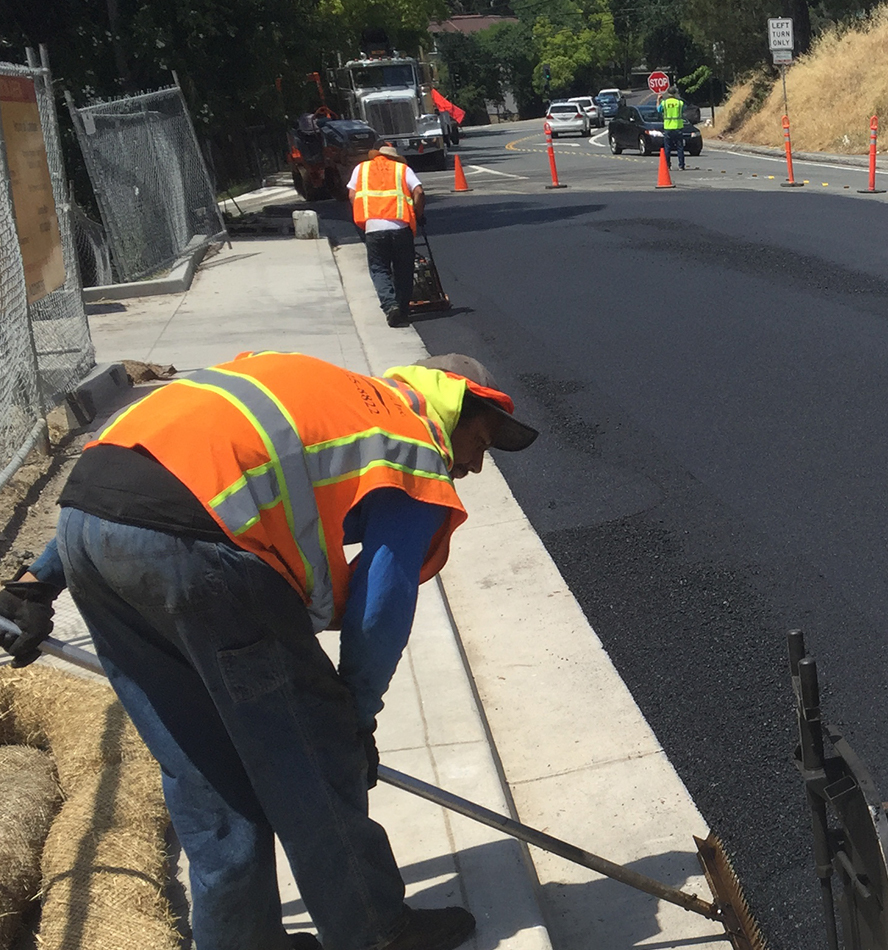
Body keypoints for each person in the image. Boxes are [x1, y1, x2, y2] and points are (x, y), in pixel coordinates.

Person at [0, 352, 538, 950]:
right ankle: (375, 933)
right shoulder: (409, 445)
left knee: (203, 768)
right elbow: (381, 602)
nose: (477, 465)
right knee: (312, 760)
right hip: (197, 551)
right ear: (454, 407)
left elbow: (150, 471)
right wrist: (351, 718)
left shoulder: (317, 392)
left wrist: (37, 579)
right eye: (481, 443)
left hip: (85, 524)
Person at [349, 145, 426, 328]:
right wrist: (418, 213)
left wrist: (363, 216)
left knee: (379, 269)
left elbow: (352, 195)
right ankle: (403, 311)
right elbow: (419, 192)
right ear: (395, 158)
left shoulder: (361, 169)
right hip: (401, 226)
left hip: (373, 228)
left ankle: (390, 306)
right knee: (404, 270)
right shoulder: (402, 169)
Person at [660, 86, 689, 170]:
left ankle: (668, 165)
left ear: (668, 93)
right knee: (680, 147)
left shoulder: (664, 103)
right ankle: (681, 165)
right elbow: (684, 108)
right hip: (678, 127)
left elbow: (659, 110)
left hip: (668, 127)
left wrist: (659, 100)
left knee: (667, 148)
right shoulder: (679, 103)